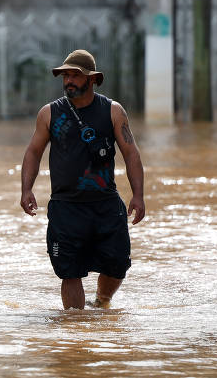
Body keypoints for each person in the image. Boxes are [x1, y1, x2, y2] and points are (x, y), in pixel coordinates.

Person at [20, 49, 145, 310]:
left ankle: (102, 301)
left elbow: (131, 152)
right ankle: (76, 329)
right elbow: (33, 151)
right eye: (65, 76)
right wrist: (26, 189)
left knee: (118, 264)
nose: (69, 81)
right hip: (66, 205)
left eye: (75, 75)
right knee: (70, 271)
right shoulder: (49, 113)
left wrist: (138, 195)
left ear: (92, 79)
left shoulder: (113, 111)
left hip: (105, 203)